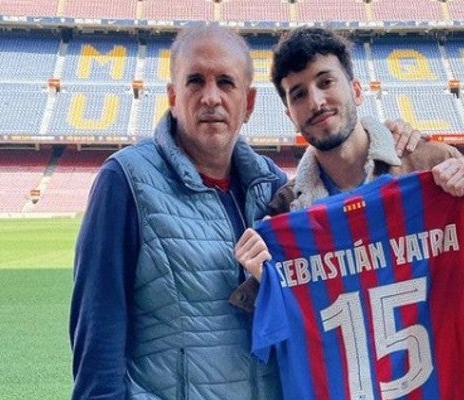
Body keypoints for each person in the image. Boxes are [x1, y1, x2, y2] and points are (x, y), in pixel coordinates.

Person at [69, 25, 419, 400]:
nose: (210, 97)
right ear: (172, 96)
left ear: (248, 104)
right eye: (194, 81)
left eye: (225, 82)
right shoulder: (126, 181)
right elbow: (97, 338)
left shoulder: (274, 189)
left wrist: (394, 143)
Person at [232, 27, 464, 400]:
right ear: (290, 114)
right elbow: (271, 337)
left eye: (326, 82)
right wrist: (263, 281)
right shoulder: (284, 213)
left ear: (355, 90)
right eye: (299, 94)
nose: (316, 100)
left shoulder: (431, 167)